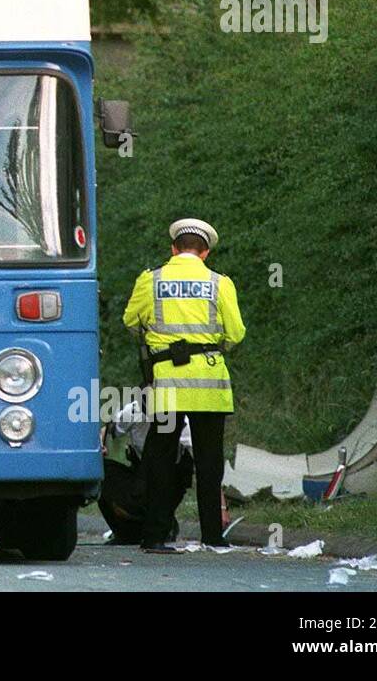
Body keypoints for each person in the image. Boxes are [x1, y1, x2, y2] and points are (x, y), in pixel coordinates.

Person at [121, 218, 245, 551]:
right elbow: (235, 334)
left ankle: (154, 536)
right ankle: (212, 538)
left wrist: (156, 339)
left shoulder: (152, 280)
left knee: (161, 458)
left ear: (174, 249)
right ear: (204, 252)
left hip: (168, 382)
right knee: (209, 461)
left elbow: (131, 322)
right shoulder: (220, 283)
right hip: (210, 381)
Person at [98, 400, 194, 544]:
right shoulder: (134, 411)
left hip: (170, 479)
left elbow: (199, 459)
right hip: (142, 477)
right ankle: (127, 533)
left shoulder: (179, 419)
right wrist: (100, 443)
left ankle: (164, 525)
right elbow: (109, 428)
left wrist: (221, 506)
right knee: (102, 472)